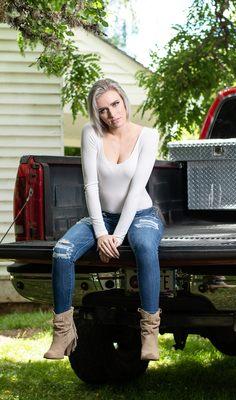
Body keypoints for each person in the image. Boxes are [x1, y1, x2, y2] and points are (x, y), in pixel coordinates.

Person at [43, 78, 164, 361]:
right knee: (61, 252)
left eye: (115, 104)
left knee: (145, 248)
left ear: (123, 100)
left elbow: (135, 191)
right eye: (103, 110)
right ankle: (63, 333)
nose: (111, 114)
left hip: (141, 214)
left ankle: (149, 333)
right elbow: (91, 185)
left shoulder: (148, 136)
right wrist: (100, 233)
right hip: (103, 218)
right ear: (95, 113)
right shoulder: (91, 133)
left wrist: (117, 238)